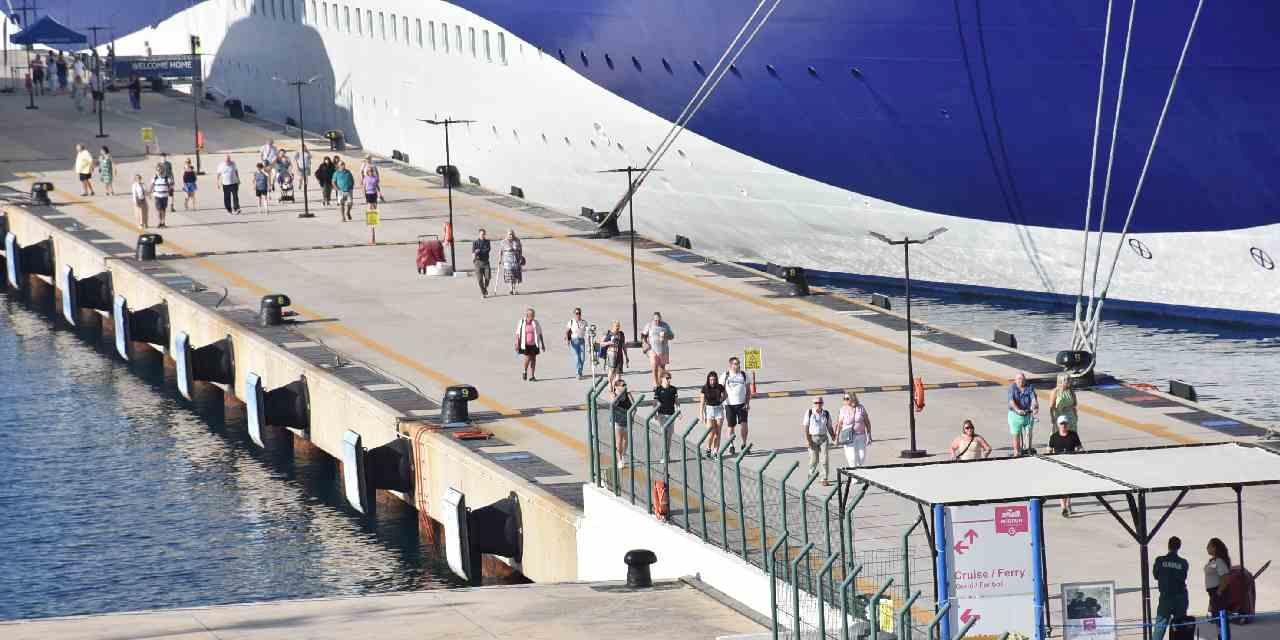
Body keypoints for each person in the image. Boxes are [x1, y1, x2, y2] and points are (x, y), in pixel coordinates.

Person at [1152, 536, 1190, 640]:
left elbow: (1156, 575)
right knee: (1180, 627)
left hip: (1166, 597)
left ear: (1168, 546)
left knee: (1160, 626)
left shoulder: (1160, 560)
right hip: (1180, 597)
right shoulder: (1183, 562)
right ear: (1179, 547)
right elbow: (1184, 576)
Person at [1048, 416, 1083, 515]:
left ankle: (1068, 505)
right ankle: (1064, 508)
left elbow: (1080, 448)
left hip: (1071, 465)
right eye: (1062, 424)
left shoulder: (1073, 435)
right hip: (1058, 466)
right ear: (1058, 425)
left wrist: (1081, 457)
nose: (1064, 426)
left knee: (1070, 487)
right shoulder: (1054, 437)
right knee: (1062, 487)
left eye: (1065, 424)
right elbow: (1049, 450)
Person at [804, 397, 835, 485]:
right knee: (814, 459)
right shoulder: (809, 412)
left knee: (824, 459)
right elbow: (806, 427)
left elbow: (829, 426)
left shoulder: (826, 413)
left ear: (822, 403)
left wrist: (833, 437)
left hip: (823, 438)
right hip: (812, 438)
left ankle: (824, 478)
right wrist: (808, 440)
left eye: (820, 403)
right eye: (816, 403)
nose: (818, 404)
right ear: (813, 404)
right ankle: (811, 474)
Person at [722, 356, 750, 454]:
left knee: (744, 425)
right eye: (735, 364)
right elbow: (721, 389)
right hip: (729, 405)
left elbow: (748, 390)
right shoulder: (725, 375)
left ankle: (744, 444)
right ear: (730, 365)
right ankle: (731, 445)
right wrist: (721, 401)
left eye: (738, 363)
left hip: (741, 404)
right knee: (731, 426)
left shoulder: (743, 374)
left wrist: (747, 403)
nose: (737, 365)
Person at [836, 392, 872, 467]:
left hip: (861, 435)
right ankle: (854, 478)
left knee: (861, 457)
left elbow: (867, 422)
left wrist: (869, 435)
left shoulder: (860, 408)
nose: (845, 400)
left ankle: (859, 474)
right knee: (852, 458)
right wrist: (836, 438)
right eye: (844, 399)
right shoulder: (843, 409)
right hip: (848, 436)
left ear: (853, 398)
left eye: (847, 398)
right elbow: (839, 425)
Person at [1007, 372, 1039, 456]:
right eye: (1019, 379)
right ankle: (1016, 452)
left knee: (1029, 433)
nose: (1021, 381)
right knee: (1016, 433)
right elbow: (1011, 401)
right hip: (1015, 414)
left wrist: (1035, 407)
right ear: (1015, 380)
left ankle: (1028, 450)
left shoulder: (1029, 387)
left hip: (1027, 414)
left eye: (1022, 379)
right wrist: (1017, 410)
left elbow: (1033, 399)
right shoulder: (1012, 388)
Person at [641, 311, 675, 387]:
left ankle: (660, 383)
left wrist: (666, 335)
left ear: (661, 319)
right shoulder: (649, 325)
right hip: (652, 348)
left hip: (663, 349)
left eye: (659, 320)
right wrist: (645, 343)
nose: (657, 322)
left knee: (662, 368)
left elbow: (672, 336)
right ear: (653, 319)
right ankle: (655, 383)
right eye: (655, 320)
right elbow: (643, 335)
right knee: (654, 365)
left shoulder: (665, 325)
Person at [699, 371, 727, 459]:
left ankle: (715, 452)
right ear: (708, 380)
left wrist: (721, 400)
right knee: (711, 432)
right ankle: (708, 448)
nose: (712, 381)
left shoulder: (720, 387)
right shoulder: (704, 388)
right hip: (709, 410)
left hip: (718, 410)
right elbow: (702, 402)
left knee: (718, 433)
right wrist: (701, 414)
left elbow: (725, 394)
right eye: (711, 380)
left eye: (714, 380)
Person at [653, 371, 678, 464]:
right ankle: (663, 456)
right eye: (667, 378)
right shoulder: (658, 389)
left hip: (671, 415)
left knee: (669, 436)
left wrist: (679, 411)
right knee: (664, 435)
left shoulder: (673, 389)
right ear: (662, 379)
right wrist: (654, 413)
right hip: (662, 415)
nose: (668, 380)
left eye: (669, 378)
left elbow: (676, 401)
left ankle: (667, 454)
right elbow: (654, 402)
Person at [515, 308, 546, 381]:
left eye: (534, 315)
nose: (533, 317)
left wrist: (542, 344)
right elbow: (517, 333)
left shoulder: (536, 322)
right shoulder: (522, 322)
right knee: (528, 358)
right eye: (532, 315)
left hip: (534, 344)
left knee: (534, 359)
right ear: (528, 315)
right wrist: (517, 343)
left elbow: (540, 333)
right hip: (525, 344)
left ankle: (532, 376)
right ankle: (525, 371)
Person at [610, 379, 634, 469]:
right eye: (622, 385)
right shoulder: (614, 395)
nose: (624, 386)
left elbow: (634, 406)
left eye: (625, 385)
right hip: (618, 420)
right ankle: (619, 459)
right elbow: (613, 404)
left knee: (626, 441)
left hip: (627, 420)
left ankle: (623, 455)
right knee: (619, 441)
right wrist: (619, 395)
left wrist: (632, 417)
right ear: (617, 387)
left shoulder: (628, 394)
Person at [1205, 538, 1231, 619]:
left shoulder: (1219, 561)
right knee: (1215, 618)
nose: (1207, 547)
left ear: (1215, 548)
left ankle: (1222, 631)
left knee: (1219, 618)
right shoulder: (1212, 561)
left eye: (1209, 546)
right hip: (1213, 593)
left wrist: (1219, 591)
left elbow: (1225, 577)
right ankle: (1219, 631)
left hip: (1217, 593)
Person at [601, 320, 628, 387]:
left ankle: (615, 387)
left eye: (619, 326)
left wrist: (626, 356)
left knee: (618, 374)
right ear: (612, 326)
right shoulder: (608, 334)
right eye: (616, 326)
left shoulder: (621, 334)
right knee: (611, 372)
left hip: (619, 356)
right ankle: (610, 386)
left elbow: (623, 345)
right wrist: (608, 342)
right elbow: (601, 344)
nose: (618, 328)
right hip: (611, 356)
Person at [499, 230, 525, 294]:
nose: (511, 235)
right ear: (507, 235)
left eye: (512, 234)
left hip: (516, 259)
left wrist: (521, 257)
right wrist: (500, 259)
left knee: (515, 276)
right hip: (507, 260)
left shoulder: (517, 241)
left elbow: (520, 249)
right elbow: (501, 251)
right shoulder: (503, 242)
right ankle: (510, 289)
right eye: (509, 234)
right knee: (510, 275)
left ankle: (514, 288)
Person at [565, 307, 587, 378]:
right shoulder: (571, 322)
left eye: (579, 313)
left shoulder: (584, 322)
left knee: (582, 358)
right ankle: (578, 373)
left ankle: (580, 371)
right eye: (577, 313)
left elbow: (587, 332)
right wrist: (568, 340)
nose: (578, 315)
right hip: (573, 341)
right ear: (574, 314)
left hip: (581, 341)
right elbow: (567, 331)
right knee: (577, 357)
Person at [472, 228, 492, 298]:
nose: (482, 235)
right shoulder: (475, 242)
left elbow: (487, 250)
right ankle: (483, 292)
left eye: (483, 234)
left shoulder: (487, 242)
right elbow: (473, 252)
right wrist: (475, 254)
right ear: (479, 234)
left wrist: (479, 251)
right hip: (478, 263)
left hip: (486, 262)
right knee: (480, 279)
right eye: (481, 234)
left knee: (488, 277)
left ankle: (485, 288)